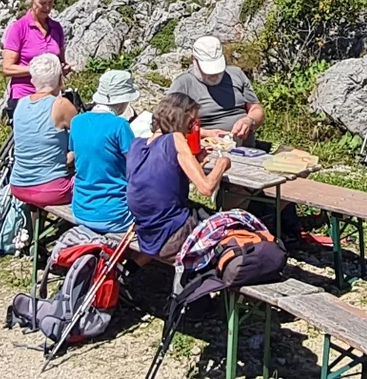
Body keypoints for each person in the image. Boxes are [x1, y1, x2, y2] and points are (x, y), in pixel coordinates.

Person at [127, 92, 230, 260]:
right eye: (192, 122)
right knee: (231, 223)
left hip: (147, 234)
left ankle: (132, 268)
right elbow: (206, 189)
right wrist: (222, 164)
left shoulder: (136, 145)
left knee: (199, 210)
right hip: (173, 234)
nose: (192, 128)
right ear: (182, 118)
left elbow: (163, 182)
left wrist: (196, 163)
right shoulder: (175, 138)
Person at [69, 70, 140, 235]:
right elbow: (137, 165)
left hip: (80, 210)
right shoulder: (120, 125)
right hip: (116, 215)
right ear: (122, 101)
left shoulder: (77, 121)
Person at [10, 53, 78, 208]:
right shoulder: (61, 104)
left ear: (33, 80)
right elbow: (87, 138)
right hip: (52, 189)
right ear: (60, 79)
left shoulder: (21, 104)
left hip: (18, 186)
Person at [169, 36, 264, 145]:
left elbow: (256, 109)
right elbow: (168, 123)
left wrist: (249, 121)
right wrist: (206, 133)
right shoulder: (183, 83)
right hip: (208, 150)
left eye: (217, 70)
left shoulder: (236, 74)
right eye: (208, 71)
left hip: (246, 149)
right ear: (194, 61)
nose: (214, 75)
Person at [0, 0, 66, 113]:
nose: (47, 8)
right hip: (24, 96)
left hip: (51, 97)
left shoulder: (56, 28)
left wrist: (63, 68)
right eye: (42, 3)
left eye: (51, 2)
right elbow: (7, 68)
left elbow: (61, 62)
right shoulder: (18, 28)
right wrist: (38, 70)